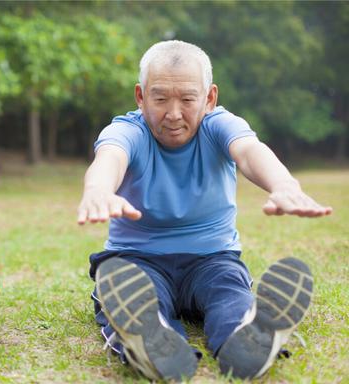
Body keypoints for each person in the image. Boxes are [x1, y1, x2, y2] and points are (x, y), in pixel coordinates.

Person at [77, 40, 332, 381]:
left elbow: (249, 152)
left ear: (209, 98)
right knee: (134, 297)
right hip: (137, 260)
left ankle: (249, 335)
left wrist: (283, 185)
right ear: (140, 96)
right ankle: (152, 342)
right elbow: (110, 157)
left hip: (213, 259)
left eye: (187, 98)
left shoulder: (218, 126)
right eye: (160, 98)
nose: (173, 113)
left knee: (229, 295)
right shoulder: (128, 130)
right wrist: (97, 189)